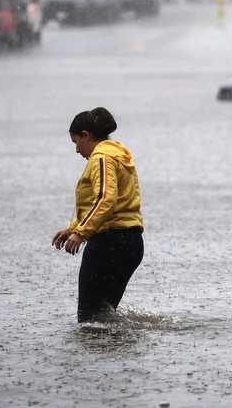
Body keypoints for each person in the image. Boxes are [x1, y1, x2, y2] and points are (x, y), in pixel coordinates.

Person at [51, 107, 144, 323]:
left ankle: (96, 356)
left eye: (76, 142)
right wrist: (72, 228)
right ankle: (115, 354)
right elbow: (111, 202)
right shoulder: (119, 154)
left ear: (86, 135)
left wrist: (81, 233)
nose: (76, 150)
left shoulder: (101, 158)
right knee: (104, 317)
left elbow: (105, 199)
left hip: (109, 243)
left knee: (87, 320)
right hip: (131, 243)